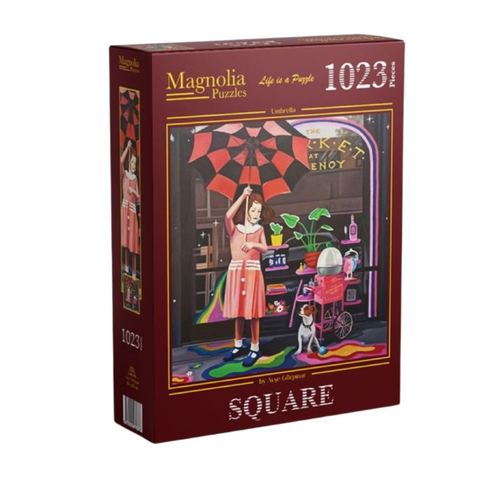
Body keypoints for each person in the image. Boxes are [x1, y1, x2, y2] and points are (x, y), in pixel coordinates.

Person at [223, 187, 274, 367]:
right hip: (237, 272)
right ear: (245, 210)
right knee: (238, 312)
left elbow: (265, 248)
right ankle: (238, 345)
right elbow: (227, 216)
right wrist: (243, 196)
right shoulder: (235, 229)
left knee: (253, 313)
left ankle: (254, 347)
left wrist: (253, 244)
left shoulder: (259, 230)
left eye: (258, 211)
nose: (256, 214)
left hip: (253, 273)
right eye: (253, 210)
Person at [120, 140, 140, 277]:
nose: (133, 165)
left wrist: (133, 191)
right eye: (132, 162)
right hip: (124, 209)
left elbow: (139, 196)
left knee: (133, 243)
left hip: (132, 211)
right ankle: (127, 268)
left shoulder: (135, 179)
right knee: (126, 242)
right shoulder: (124, 174)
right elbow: (120, 162)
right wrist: (127, 148)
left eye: (135, 163)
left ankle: (133, 271)